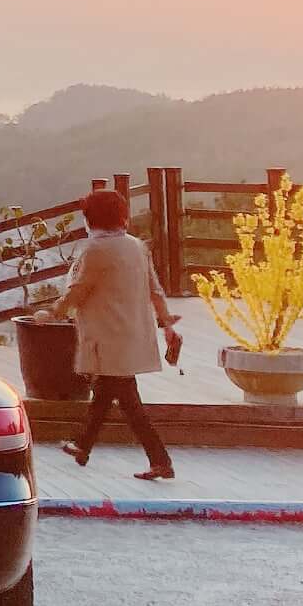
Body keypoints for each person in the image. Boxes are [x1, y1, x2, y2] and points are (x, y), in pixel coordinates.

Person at [56, 184, 180, 481]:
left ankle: (161, 461)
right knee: (109, 393)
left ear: (89, 220)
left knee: (126, 401)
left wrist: (54, 312)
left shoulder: (96, 250)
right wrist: (167, 324)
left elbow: (78, 291)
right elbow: (155, 288)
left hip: (108, 336)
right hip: (132, 335)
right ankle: (83, 446)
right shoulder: (137, 246)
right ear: (123, 218)